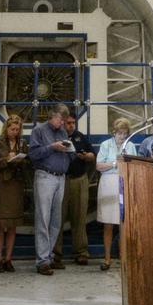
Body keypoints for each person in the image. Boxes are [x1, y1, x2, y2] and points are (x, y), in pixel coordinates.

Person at [28, 103, 75, 274]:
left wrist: (70, 153)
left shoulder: (62, 132)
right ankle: (42, 261)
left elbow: (67, 152)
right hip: (45, 177)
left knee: (56, 221)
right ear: (53, 116)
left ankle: (47, 256)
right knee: (43, 219)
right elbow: (32, 154)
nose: (63, 124)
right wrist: (51, 147)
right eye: (61, 120)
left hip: (60, 178)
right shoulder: (38, 131)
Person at [0, 113, 31, 271]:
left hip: (17, 185)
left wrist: (21, 160)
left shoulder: (23, 143)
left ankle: (8, 259)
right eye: (12, 129)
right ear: (6, 129)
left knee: (13, 226)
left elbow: (28, 162)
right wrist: (6, 159)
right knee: (0, 225)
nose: (15, 132)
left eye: (17, 129)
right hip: (2, 186)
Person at [54, 111, 96, 266]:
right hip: (61, 180)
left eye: (73, 123)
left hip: (79, 180)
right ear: (62, 122)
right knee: (58, 217)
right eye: (68, 123)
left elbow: (92, 155)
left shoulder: (80, 137)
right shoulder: (56, 136)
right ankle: (55, 253)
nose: (71, 126)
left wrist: (86, 156)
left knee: (79, 217)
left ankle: (81, 252)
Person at [96, 117, 131, 270]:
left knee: (124, 225)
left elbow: (133, 166)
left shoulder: (130, 146)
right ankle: (107, 259)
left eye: (124, 133)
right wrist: (115, 163)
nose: (122, 136)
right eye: (119, 133)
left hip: (124, 184)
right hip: (107, 185)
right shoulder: (105, 145)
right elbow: (98, 166)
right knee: (108, 225)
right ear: (114, 132)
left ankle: (124, 259)